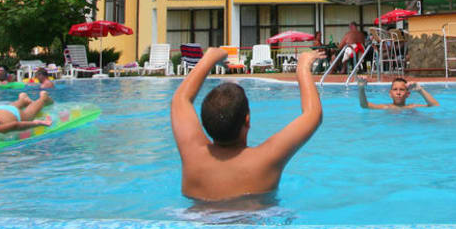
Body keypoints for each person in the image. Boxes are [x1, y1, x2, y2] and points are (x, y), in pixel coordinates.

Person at [171, 47, 323, 201]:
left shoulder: (192, 154)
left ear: (203, 122)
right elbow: (313, 114)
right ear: (247, 120)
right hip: (253, 222)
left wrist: (210, 58)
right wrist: (303, 66)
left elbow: (181, 99)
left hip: (196, 222)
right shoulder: (265, 160)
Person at [357, 76, 438, 110]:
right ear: (390, 94)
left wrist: (420, 90)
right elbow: (364, 106)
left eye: (402, 90)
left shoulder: (412, 107)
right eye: (395, 89)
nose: (398, 92)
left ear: (408, 94)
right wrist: (361, 88)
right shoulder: (386, 107)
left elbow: (435, 106)